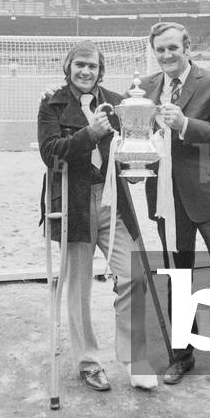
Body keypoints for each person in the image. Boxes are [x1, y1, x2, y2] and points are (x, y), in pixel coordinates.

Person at [139, 21, 210, 396]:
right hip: (167, 200)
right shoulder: (145, 87)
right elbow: (134, 135)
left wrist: (186, 124)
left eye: (173, 48)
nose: (167, 55)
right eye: (161, 50)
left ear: (187, 47)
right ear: (154, 52)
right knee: (179, 280)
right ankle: (182, 354)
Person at [37, 41, 157, 392]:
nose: (85, 71)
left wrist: (135, 168)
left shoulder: (119, 102)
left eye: (92, 65)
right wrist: (89, 134)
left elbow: (130, 145)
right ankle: (88, 362)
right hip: (73, 200)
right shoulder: (52, 103)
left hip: (111, 199)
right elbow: (50, 154)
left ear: (100, 69)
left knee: (134, 273)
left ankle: (135, 359)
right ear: (69, 66)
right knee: (78, 287)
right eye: (79, 65)